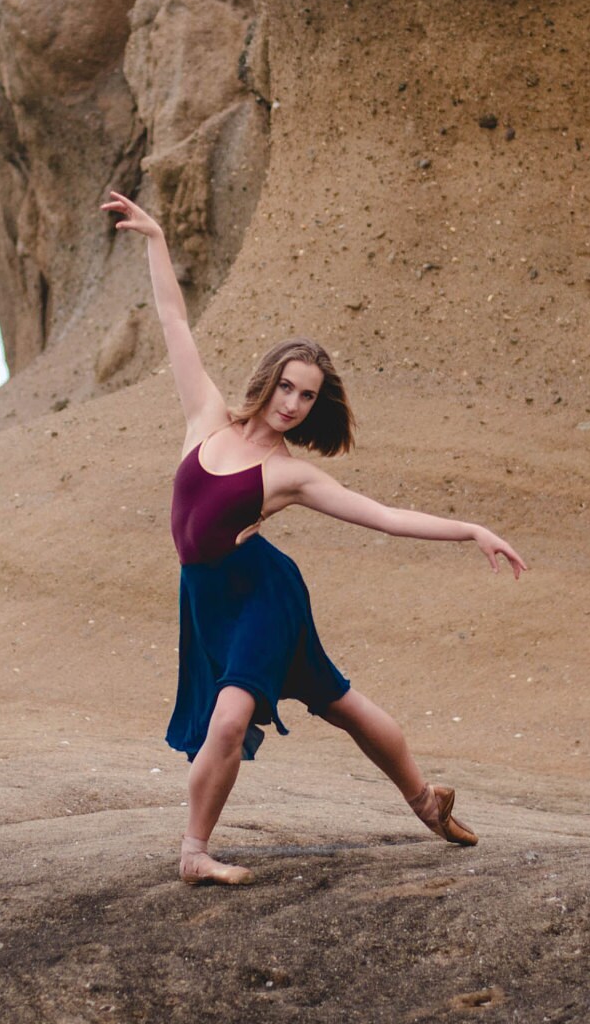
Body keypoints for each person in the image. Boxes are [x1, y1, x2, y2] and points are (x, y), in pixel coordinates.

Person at [102, 189, 528, 886]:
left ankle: (194, 852)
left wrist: (470, 529)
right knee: (339, 703)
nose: (294, 403)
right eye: (288, 387)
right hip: (208, 597)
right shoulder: (205, 417)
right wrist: (154, 238)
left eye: (307, 396)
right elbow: (174, 318)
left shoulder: (288, 475)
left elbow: (385, 516)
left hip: (262, 595)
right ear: (268, 377)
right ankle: (426, 799)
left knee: (231, 717)